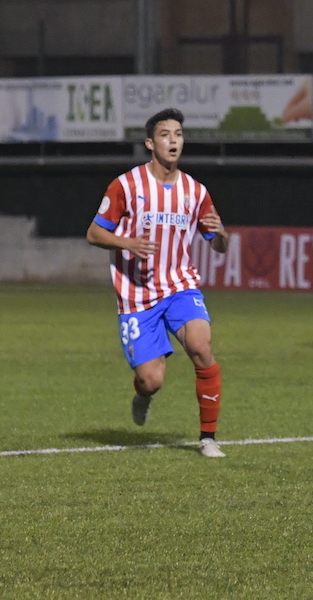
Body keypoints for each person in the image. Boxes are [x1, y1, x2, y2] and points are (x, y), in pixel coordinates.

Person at [86, 108, 229, 458]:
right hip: (137, 297)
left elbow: (218, 245)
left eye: (178, 134)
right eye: (166, 135)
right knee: (152, 380)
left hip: (180, 286)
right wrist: (128, 244)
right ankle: (142, 394)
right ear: (151, 143)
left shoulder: (196, 191)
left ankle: (208, 437)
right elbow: (93, 233)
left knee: (201, 347)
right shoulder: (126, 185)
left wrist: (222, 233)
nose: (174, 141)